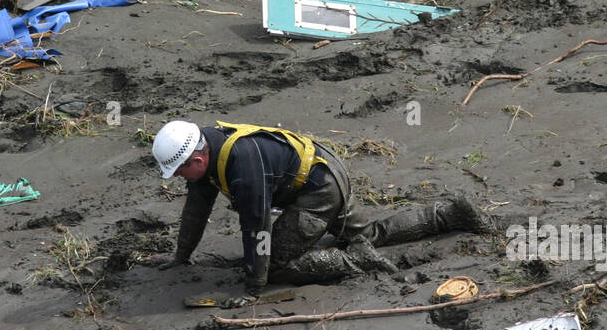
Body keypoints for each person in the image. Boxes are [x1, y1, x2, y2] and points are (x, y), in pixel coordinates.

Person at [150, 119, 490, 296]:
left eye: (180, 171)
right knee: (369, 234)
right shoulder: (207, 145)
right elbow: (196, 210)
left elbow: (257, 229)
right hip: (326, 170)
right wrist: (181, 255)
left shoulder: (242, 166)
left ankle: (353, 259)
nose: (179, 178)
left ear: (197, 158)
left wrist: (254, 286)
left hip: (317, 191)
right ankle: (447, 214)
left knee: (277, 265)